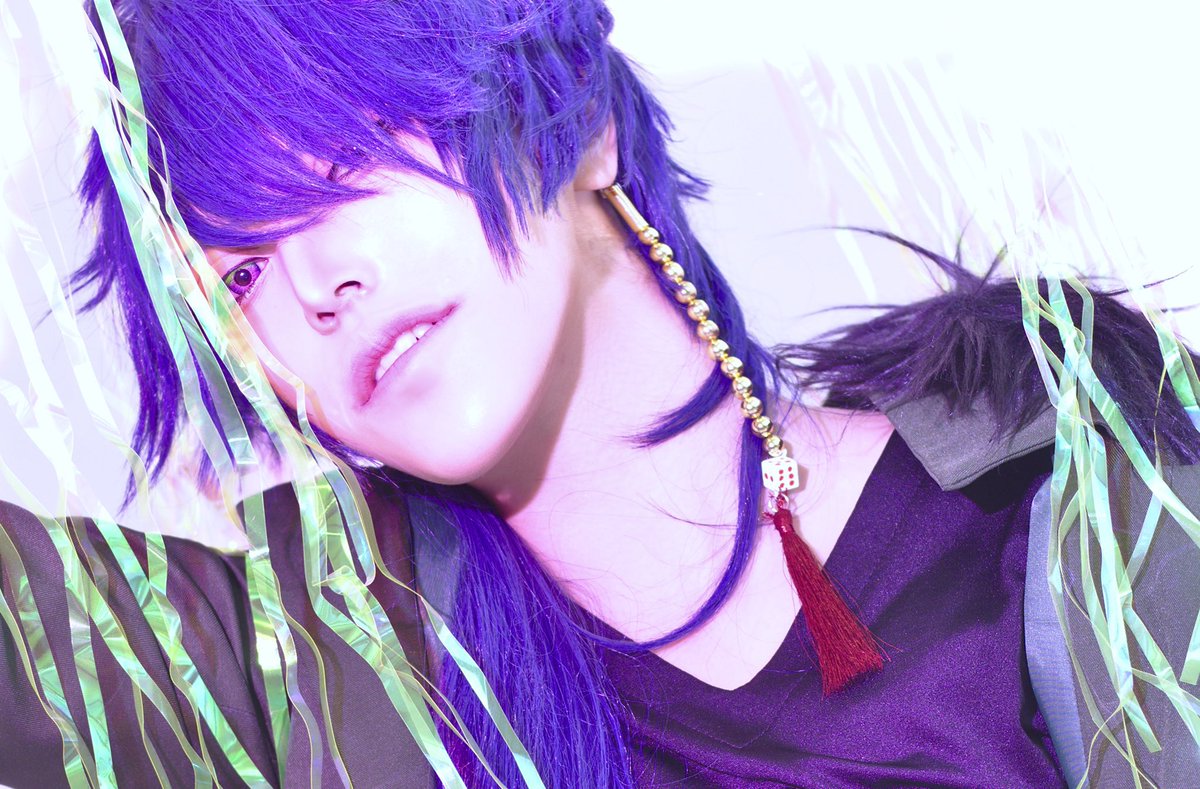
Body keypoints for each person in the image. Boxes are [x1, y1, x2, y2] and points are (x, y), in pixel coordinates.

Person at [2, 1, 1199, 787]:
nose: (319, 285)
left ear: (573, 122)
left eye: (346, 153)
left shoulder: (1085, 522)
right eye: (242, 273)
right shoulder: (308, 674)